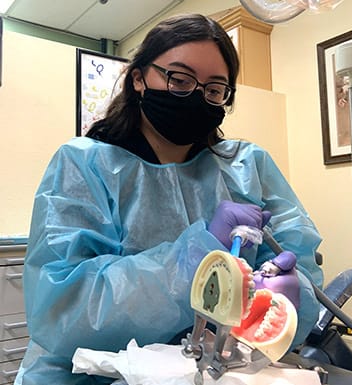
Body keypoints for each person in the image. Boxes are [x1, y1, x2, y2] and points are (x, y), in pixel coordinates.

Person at [14, 14, 323, 385]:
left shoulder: (248, 167)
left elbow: (299, 272)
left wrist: (290, 296)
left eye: (213, 90)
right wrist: (193, 262)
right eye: (179, 79)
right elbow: (63, 312)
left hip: (219, 372)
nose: (196, 95)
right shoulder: (85, 165)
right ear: (139, 78)